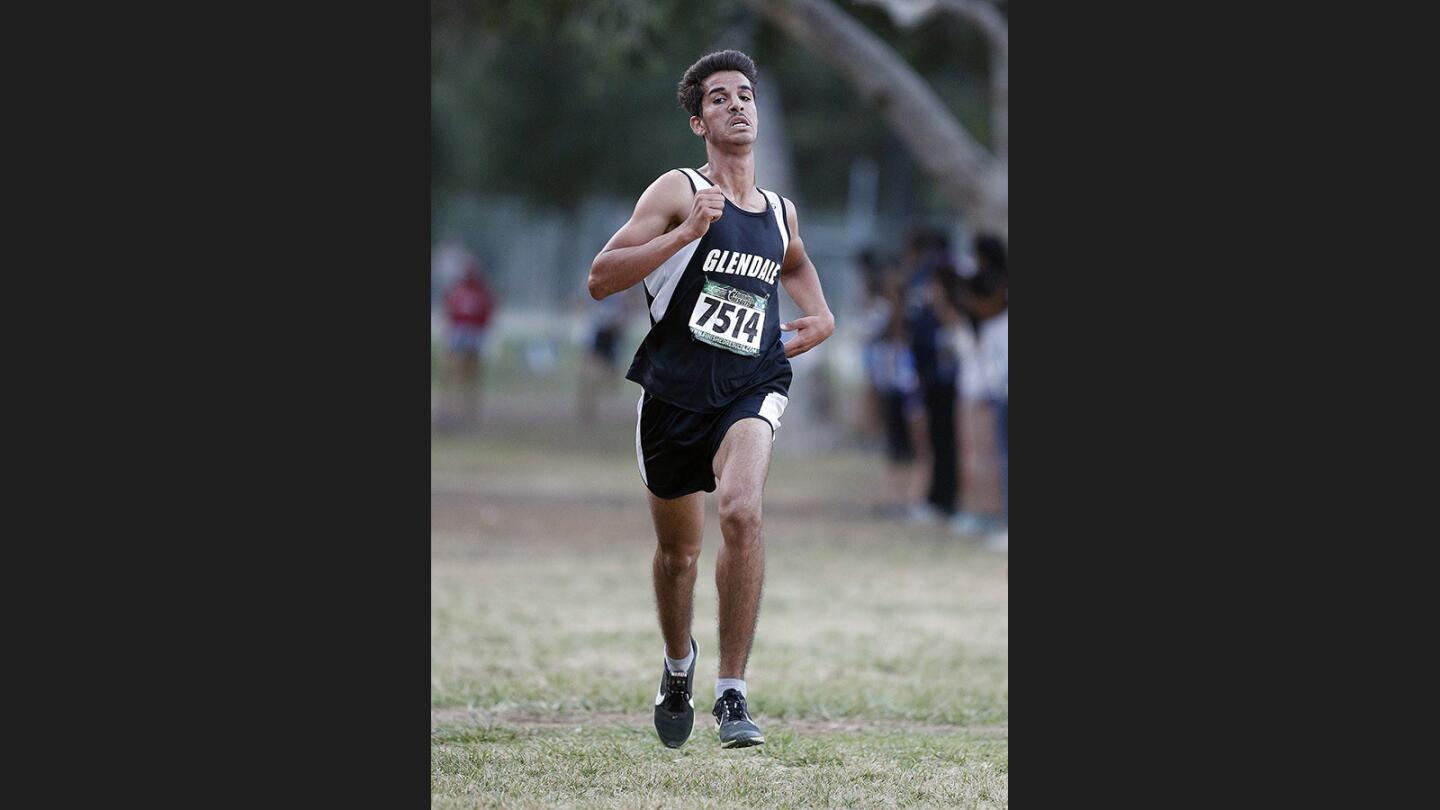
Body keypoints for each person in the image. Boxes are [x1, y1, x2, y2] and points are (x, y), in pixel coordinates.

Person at [586, 49, 835, 750]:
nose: (737, 105)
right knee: (678, 559)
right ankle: (677, 667)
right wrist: (687, 231)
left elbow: (794, 258)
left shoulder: (781, 210)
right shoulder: (677, 189)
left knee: (742, 509)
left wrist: (821, 316)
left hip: (752, 386)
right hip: (672, 394)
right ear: (700, 121)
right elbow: (601, 278)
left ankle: (732, 692)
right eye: (720, 98)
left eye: (745, 94)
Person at [442, 253, 496, 429]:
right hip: (460, 332)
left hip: (474, 333)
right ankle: (450, 409)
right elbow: (450, 313)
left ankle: (469, 410)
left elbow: (488, 314)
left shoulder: (482, 292)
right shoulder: (457, 290)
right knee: (454, 370)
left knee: (472, 374)